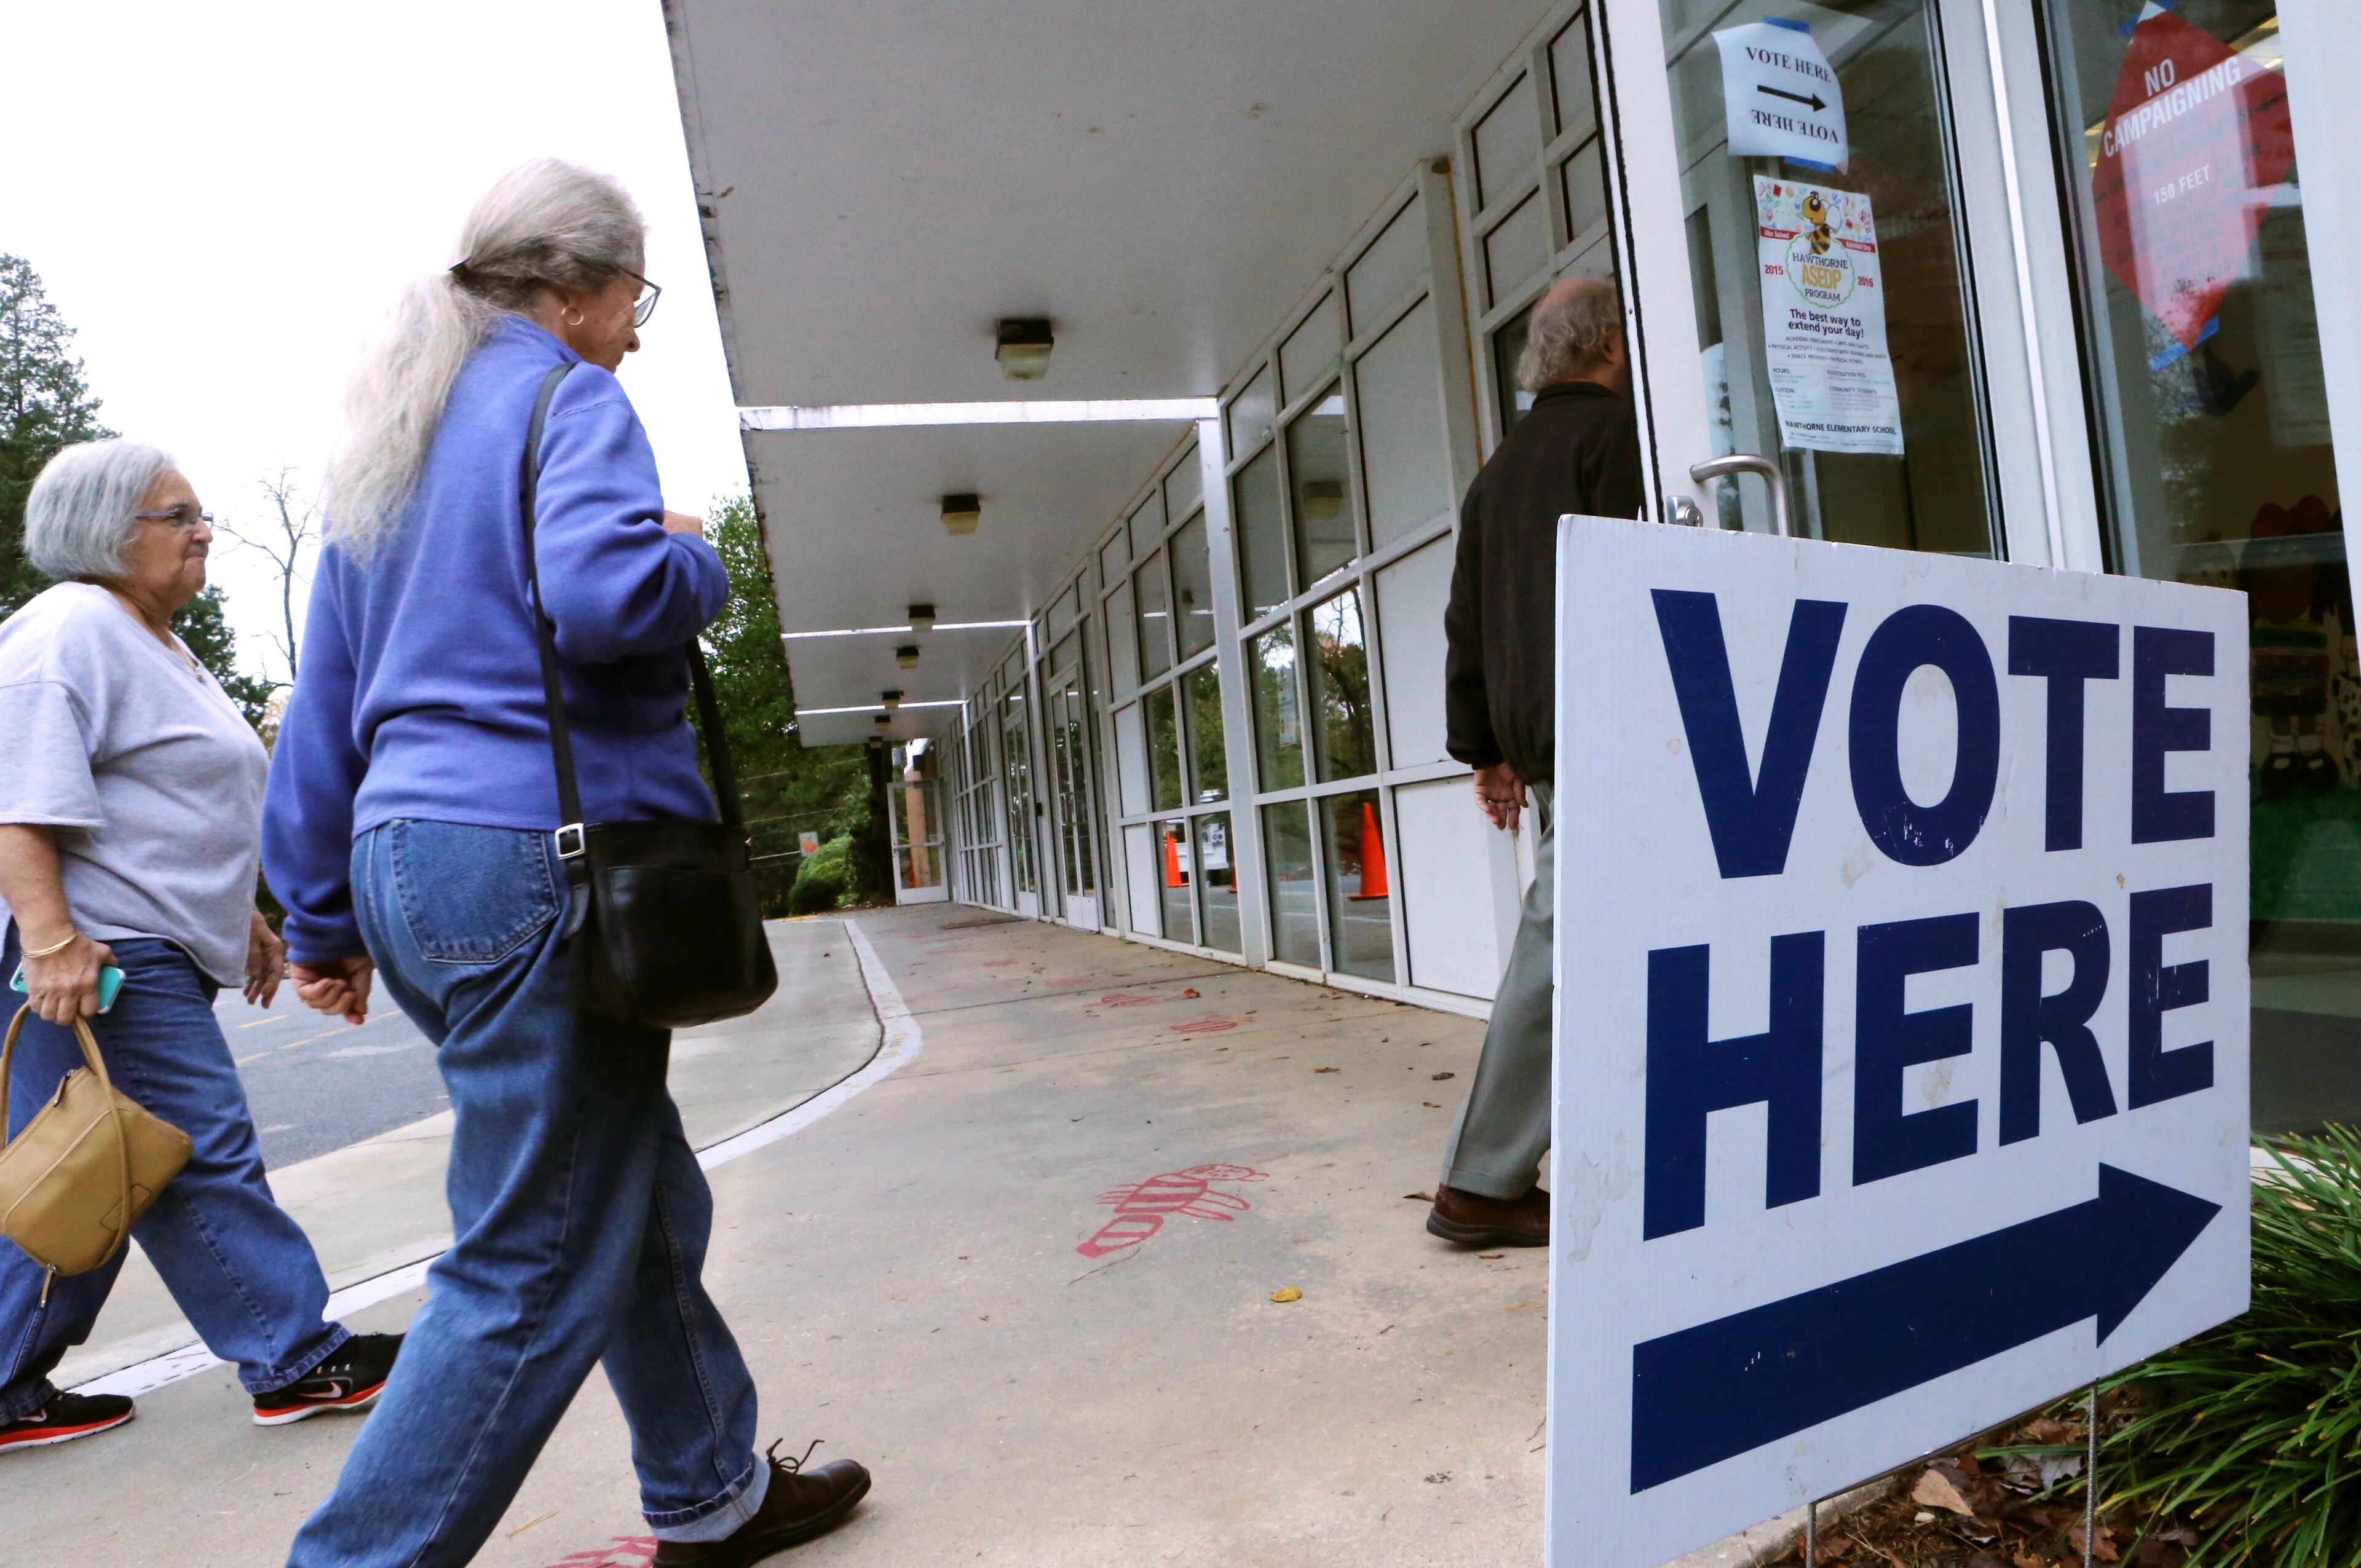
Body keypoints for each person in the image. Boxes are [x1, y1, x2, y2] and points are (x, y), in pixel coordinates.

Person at [264, 159, 868, 1567]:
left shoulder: (393, 440)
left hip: (408, 862)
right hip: (543, 863)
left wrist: (315, 920)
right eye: (634, 297)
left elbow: (322, 703)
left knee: (634, 1184)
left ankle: (711, 1487)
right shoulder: (565, 398)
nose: (637, 331)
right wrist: (694, 560)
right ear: (574, 286)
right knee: (528, 1258)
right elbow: (606, 603)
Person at [0, 439, 401, 1453]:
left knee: (95, 1168)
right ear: (105, 533)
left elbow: (173, 804)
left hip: (143, 941)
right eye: (177, 516)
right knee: (192, 1153)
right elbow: (15, 804)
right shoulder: (70, 628)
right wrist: (49, 941)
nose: (202, 532)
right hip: (101, 953)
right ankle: (293, 1357)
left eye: (198, 514)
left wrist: (245, 920)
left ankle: (3, 1386)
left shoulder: (153, 641)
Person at [1429, 275, 1643, 1249]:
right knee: (1561, 957)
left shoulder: (1500, 472)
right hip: (1620, 739)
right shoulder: (1613, 441)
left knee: (1602, 951)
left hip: (1552, 747)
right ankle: (1481, 1182)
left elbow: (1466, 625)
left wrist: (1488, 752)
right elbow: (1643, 591)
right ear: (1606, 348)